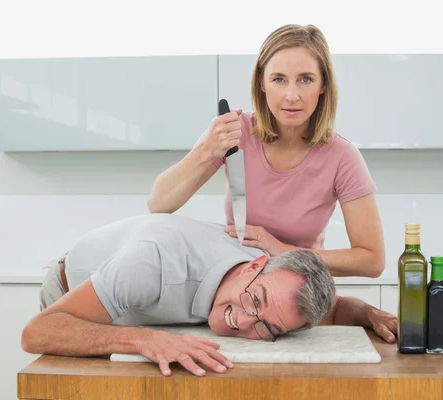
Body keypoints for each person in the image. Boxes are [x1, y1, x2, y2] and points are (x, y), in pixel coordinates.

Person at [23, 213, 398, 377]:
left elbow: (332, 310)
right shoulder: (154, 261)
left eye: (267, 329)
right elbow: (37, 332)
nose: (245, 322)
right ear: (254, 266)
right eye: (256, 302)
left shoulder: (271, 278)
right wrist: (142, 338)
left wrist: (369, 314)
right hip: (73, 296)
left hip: (141, 305)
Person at [147, 24, 385, 279]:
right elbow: (159, 204)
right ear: (262, 82)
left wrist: (285, 252)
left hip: (299, 289)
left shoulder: (342, 156)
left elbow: (372, 260)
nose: (291, 96)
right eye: (279, 79)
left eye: (306, 79)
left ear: (323, 84)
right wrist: (206, 149)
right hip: (235, 282)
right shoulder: (236, 133)